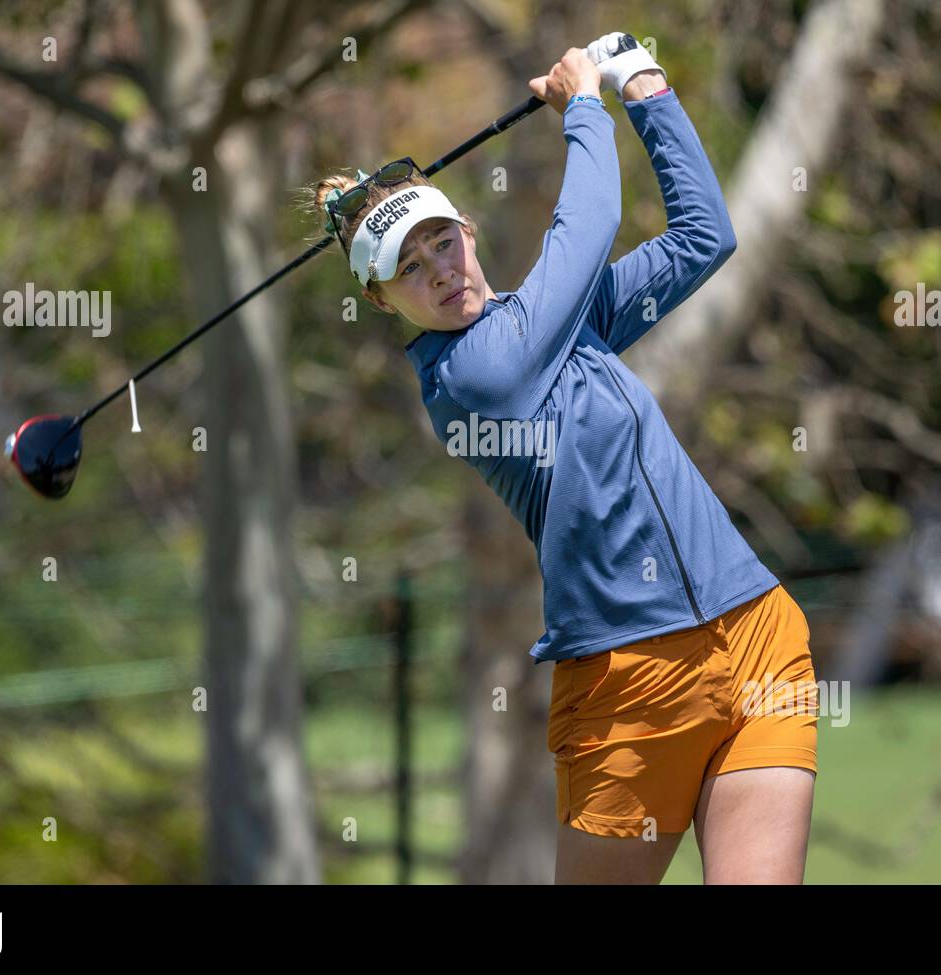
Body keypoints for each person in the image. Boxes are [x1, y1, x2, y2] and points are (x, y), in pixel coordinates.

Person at [307, 33, 818, 885]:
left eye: (442, 241)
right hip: (628, 680)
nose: (440, 270)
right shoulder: (473, 375)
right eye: (409, 267)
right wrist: (586, 104)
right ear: (378, 297)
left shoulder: (557, 324)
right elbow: (590, 226)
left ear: (468, 231)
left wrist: (645, 87)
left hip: (757, 631)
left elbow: (704, 237)